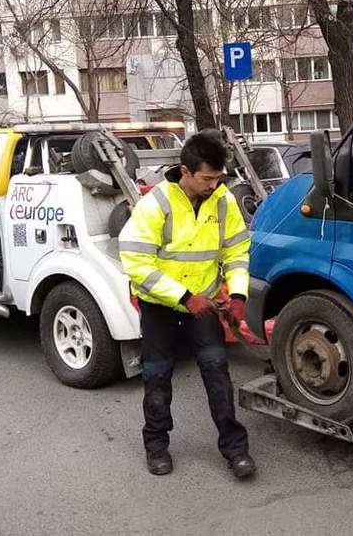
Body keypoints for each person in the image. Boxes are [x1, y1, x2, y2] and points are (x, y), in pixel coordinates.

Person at [118, 130, 256, 478]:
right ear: (186, 170)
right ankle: (156, 447)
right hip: (161, 307)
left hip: (205, 305)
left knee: (217, 373)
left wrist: (238, 295)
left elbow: (236, 252)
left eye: (218, 178)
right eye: (207, 178)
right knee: (157, 377)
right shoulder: (156, 205)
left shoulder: (223, 202)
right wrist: (183, 297)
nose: (214, 185)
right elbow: (136, 263)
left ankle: (236, 449)